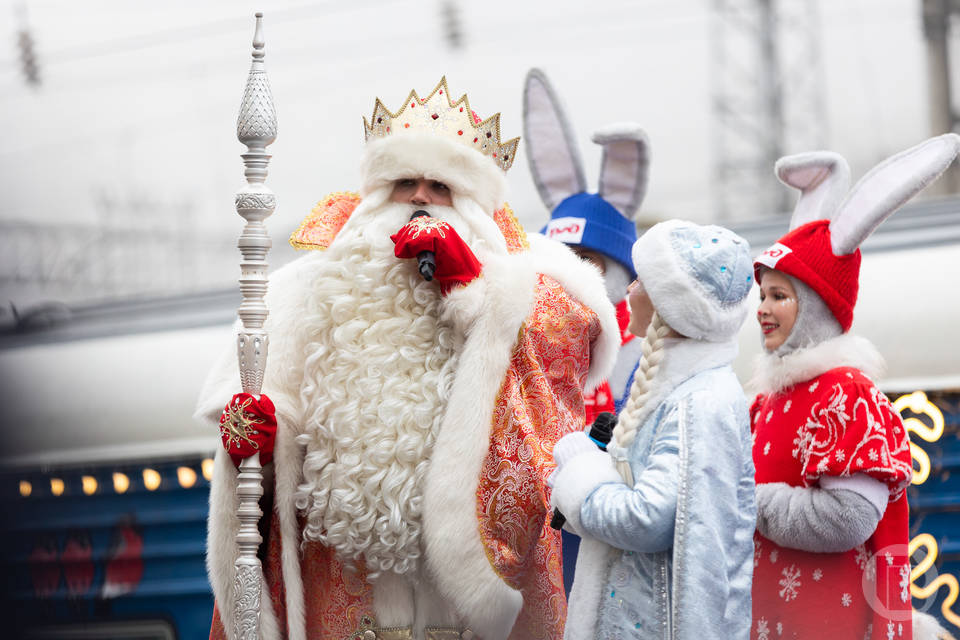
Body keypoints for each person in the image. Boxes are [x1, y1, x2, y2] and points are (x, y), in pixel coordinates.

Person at [196, 77, 620, 640]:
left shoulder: (532, 280)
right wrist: (261, 436)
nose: (419, 198)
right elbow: (261, 453)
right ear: (376, 194)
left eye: (440, 186)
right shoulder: (304, 287)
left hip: (465, 606)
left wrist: (474, 292)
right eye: (403, 183)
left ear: (474, 202)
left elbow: (563, 373)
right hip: (344, 589)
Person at [748, 134, 960, 640]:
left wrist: (746, 499)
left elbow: (848, 518)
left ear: (818, 305)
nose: (762, 308)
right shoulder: (769, 399)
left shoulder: (844, 393)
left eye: (779, 295)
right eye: (762, 293)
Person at [549, 220, 757, 639]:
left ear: (670, 305)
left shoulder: (698, 404)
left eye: (642, 280)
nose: (630, 290)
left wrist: (580, 471)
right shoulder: (685, 389)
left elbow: (647, 520)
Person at [522, 68, 648, 419]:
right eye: (562, 257)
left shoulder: (648, 342)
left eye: (588, 258)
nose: (573, 271)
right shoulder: (531, 339)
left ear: (623, 270)